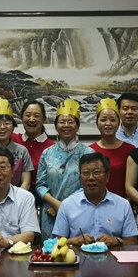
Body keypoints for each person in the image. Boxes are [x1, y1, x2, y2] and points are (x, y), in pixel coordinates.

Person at [52, 152, 138, 247]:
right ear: (80, 178)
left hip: (112, 255)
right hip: (78, 255)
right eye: (86, 173)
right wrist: (74, 241)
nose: (91, 178)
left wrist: (117, 241)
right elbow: (57, 242)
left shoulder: (123, 205)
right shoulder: (67, 205)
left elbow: (132, 242)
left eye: (96, 173)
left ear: (107, 177)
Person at [35, 98, 93, 240]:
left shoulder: (88, 153)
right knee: (52, 249)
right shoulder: (47, 153)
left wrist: (63, 206)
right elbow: (40, 185)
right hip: (50, 212)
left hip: (78, 211)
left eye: (70, 122)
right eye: (62, 122)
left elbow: (87, 186)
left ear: (77, 126)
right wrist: (55, 204)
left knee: (79, 248)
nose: (66, 125)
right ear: (56, 126)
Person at [0, 90, 54, 183]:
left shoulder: (51, 148)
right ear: (21, 118)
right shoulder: (14, 139)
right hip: (12, 189)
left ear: (44, 119)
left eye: (36, 116)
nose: (31, 119)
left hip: (40, 190)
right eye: (28, 115)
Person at [90, 98, 135, 199]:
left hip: (123, 203)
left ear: (119, 123)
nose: (108, 123)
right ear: (97, 123)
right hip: (96, 202)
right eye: (103, 120)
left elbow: (134, 184)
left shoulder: (130, 149)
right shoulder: (90, 151)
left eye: (113, 120)